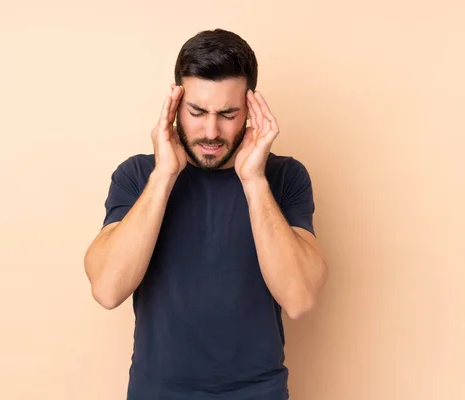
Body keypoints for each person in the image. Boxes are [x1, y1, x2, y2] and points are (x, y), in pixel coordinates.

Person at [84, 28, 328, 400]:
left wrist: (253, 180)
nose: (211, 131)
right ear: (176, 104)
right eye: (197, 112)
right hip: (158, 391)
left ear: (250, 108)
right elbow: (107, 289)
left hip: (257, 392)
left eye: (228, 114)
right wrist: (164, 175)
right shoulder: (137, 176)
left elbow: (299, 299)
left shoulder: (284, 177)